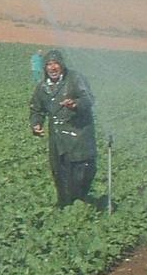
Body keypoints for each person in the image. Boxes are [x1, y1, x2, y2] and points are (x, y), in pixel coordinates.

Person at [29, 49, 98, 208]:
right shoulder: (42, 87)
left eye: (55, 64)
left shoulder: (75, 79)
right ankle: (65, 207)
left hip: (79, 135)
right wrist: (36, 124)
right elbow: (36, 109)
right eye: (48, 65)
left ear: (62, 65)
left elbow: (88, 98)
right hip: (57, 139)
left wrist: (76, 104)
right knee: (60, 175)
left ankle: (80, 203)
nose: (52, 68)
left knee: (82, 173)